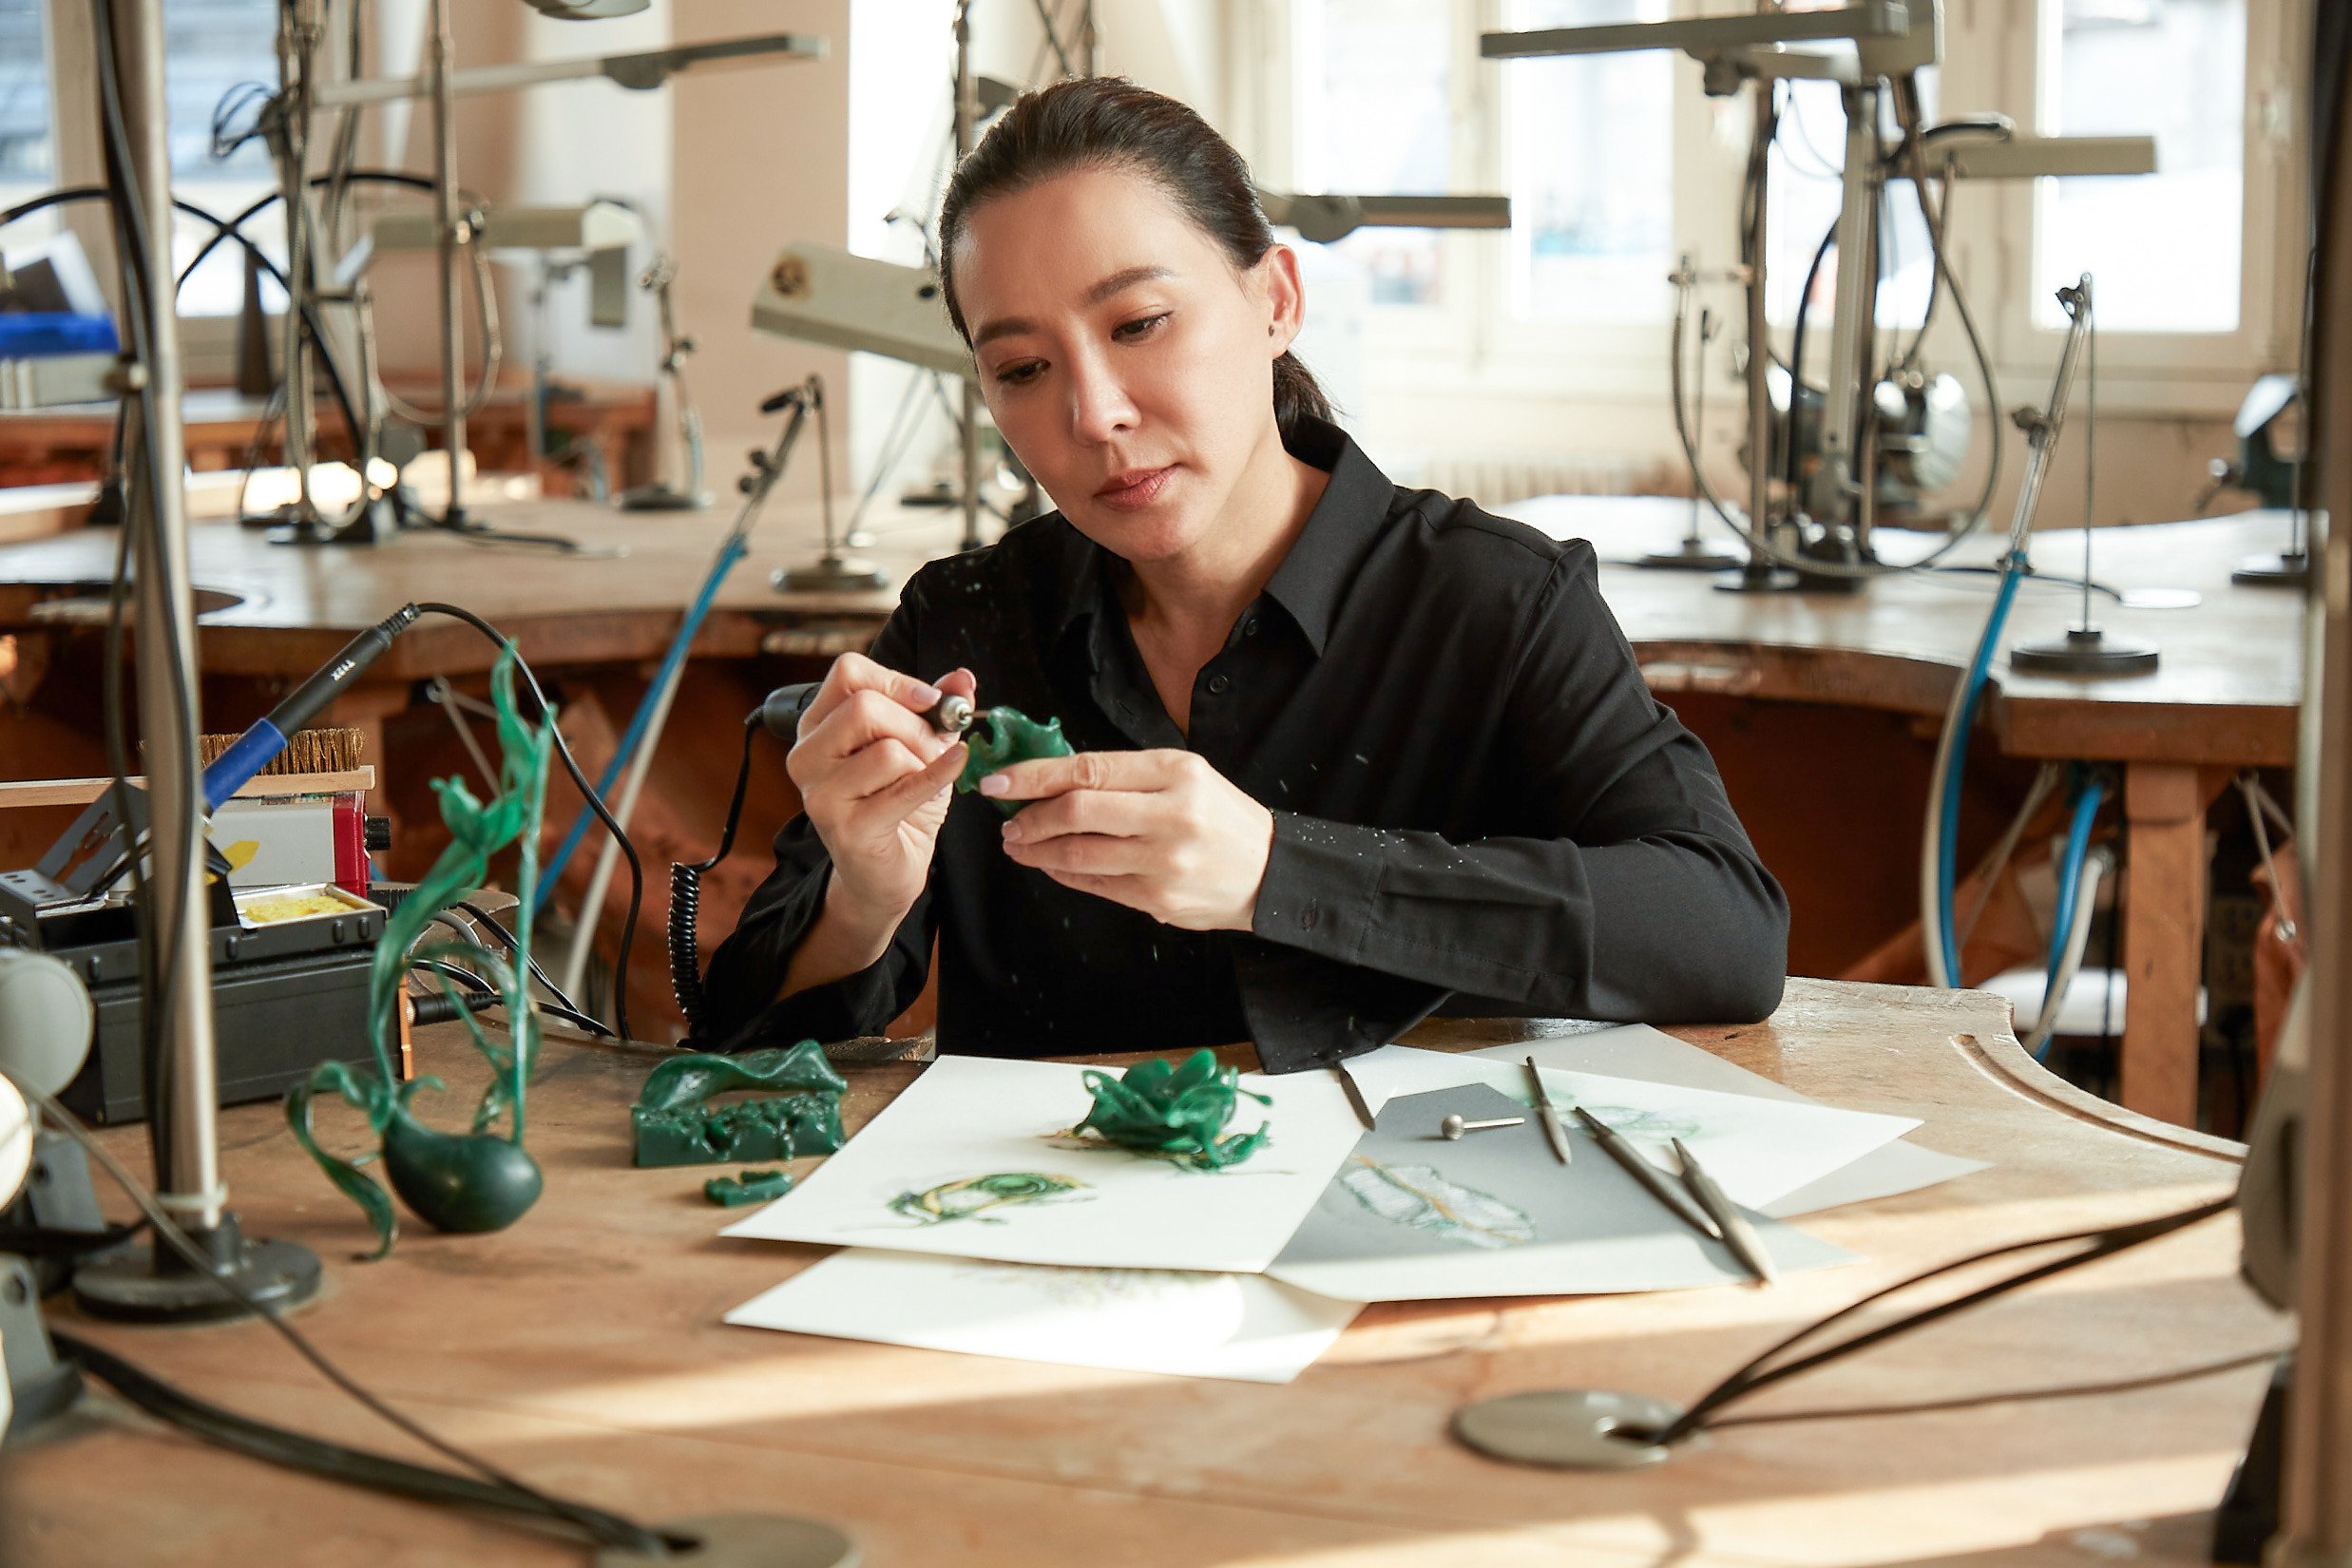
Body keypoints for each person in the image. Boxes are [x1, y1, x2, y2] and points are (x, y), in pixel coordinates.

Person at [700, 77, 1787, 1072]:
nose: (1094, 415)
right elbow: (739, 1053)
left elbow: (1724, 933)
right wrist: (863, 893)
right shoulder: (966, 626)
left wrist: (1279, 873)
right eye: (1023, 369)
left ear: (1275, 300)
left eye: (1141, 324)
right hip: (1039, 1242)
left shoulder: (1494, 601)